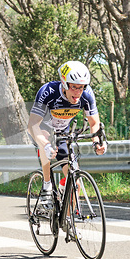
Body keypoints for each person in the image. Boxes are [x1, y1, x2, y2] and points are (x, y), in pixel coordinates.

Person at [27, 60, 107, 207]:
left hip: (63, 134)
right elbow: (32, 125)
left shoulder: (87, 94)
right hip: (42, 131)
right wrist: (44, 144)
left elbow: (94, 123)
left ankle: (68, 224)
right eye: (74, 87)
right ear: (64, 83)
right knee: (45, 137)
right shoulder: (48, 91)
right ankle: (47, 186)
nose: (78, 92)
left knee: (75, 183)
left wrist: (97, 142)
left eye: (81, 87)